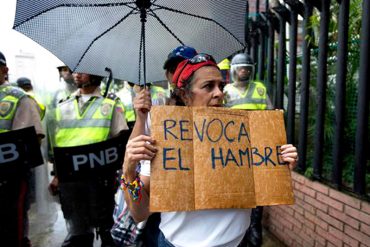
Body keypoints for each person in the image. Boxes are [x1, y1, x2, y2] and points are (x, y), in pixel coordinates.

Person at [122, 53, 298, 246]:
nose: (219, 93)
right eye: (208, 86)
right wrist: (129, 174)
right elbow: (140, 212)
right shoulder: (166, 139)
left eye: (221, 86)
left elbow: (259, 189)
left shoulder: (242, 131)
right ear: (184, 95)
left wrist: (279, 168)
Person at [48, 72, 129, 247]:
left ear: (95, 75)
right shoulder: (62, 106)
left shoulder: (110, 106)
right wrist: (57, 175)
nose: (76, 74)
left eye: (82, 71)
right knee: (78, 234)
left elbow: (121, 145)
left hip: (100, 181)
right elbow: (57, 147)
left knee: (107, 230)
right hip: (71, 182)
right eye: (75, 70)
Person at [224, 53, 272, 247]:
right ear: (234, 71)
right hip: (233, 147)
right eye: (240, 68)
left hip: (256, 145)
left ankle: (254, 225)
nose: (244, 71)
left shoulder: (260, 89)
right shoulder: (226, 91)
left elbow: (270, 115)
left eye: (247, 68)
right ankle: (240, 226)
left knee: (257, 187)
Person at [0, 51, 45, 247]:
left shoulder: (19, 98)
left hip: (10, 179)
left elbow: (31, 142)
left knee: (12, 230)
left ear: (4, 70)